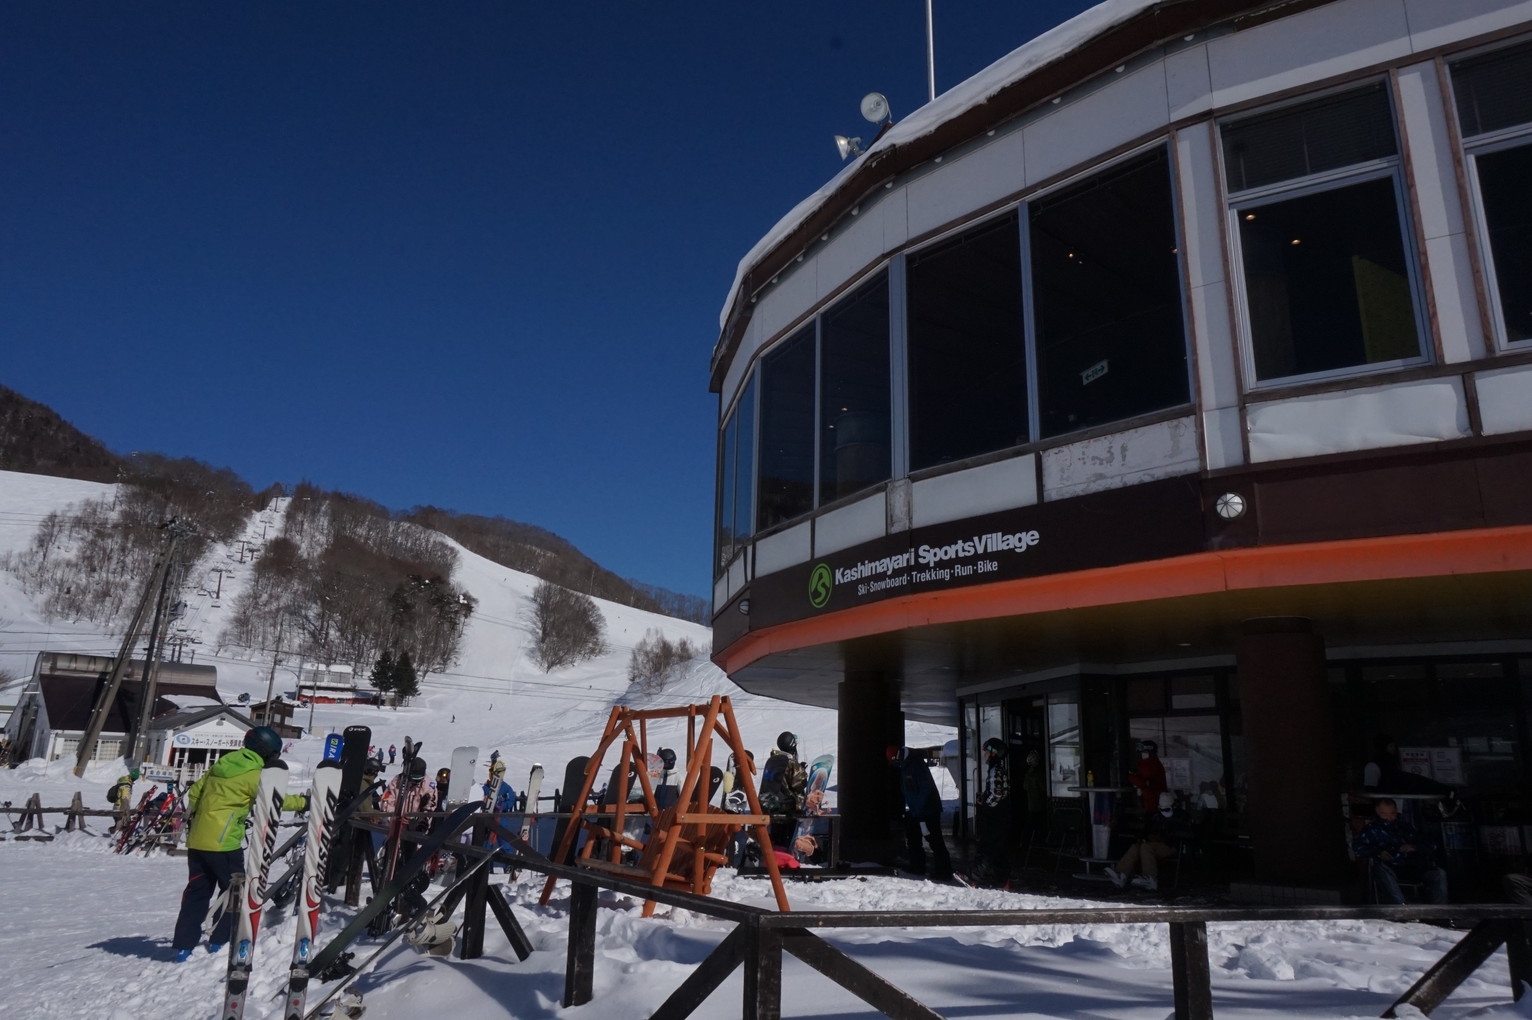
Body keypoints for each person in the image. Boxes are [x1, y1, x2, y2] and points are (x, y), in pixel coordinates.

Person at [171, 726, 307, 962]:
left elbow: (194, 794)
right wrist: (305, 802)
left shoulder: (221, 765)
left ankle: (183, 946)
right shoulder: (253, 775)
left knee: (196, 892)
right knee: (235, 891)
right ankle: (219, 940)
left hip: (198, 841)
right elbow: (275, 800)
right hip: (225, 844)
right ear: (266, 752)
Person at [1353, 797, 1448, 904]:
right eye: (1384, 814)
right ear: (1377, 813)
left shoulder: (1405, 827)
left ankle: (1439, 913)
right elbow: (1358, 848)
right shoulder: (1371, 829)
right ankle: (1402, 910)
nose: (1389, 817)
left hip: (1412, 866)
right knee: (1380, 868)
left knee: (1438, 873)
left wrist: (1414, 847)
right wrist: (1379, 852)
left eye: (1392, 813)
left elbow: (1430, 845)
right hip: (1390, 867)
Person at [889, 745, 954, 881]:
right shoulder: (906, 765)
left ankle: (944, 871)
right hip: (915, 810)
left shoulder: (915, 764)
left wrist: (921, 813)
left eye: (894, 760)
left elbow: (924, 789)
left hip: (927, 810)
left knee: (934, 840)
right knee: (913, 837)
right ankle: (917, 866)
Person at [1107, 791, 1192, 892]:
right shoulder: (1157, 817)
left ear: (1174, 806)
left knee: (1146, 847)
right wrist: (1148, 835)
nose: (1164, 811)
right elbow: (1149, 830)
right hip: (1155, 844)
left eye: (1167, 809)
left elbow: (1187, 834)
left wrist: (1168, 836)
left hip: (1171, 846)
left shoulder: (1182, 816)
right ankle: (1121, 873)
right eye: (1162, 809)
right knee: (1136, 847)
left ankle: (1150, 878)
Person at [974, 737, 1011, 887]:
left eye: (986, 752)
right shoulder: (997, 768)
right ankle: (1003, 881)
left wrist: (986, 805)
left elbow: (996, 793)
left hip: (996, 815)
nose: (984, 755)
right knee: (998, 849)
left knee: (987, 847)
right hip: (1001, 815)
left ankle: (973, 878)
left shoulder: (995, 769)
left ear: (993, 753)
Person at [1127, 739, 1167, 815]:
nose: (1141, 754)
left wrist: (1129, 776)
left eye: (1143, 752)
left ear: (1149, 751)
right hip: (1153, 801)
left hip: (1152, 802)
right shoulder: (1152, 763)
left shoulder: (1149, 764)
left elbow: (1144, 782)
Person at [110, 768, 140, 833]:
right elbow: (124, 799)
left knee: (118, 824)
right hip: (120, 807)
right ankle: (115, 837)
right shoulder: (126, 786)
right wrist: (126, 812)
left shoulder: (123, 780)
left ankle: (114, 834)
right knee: (120, 825)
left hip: (116, 805)